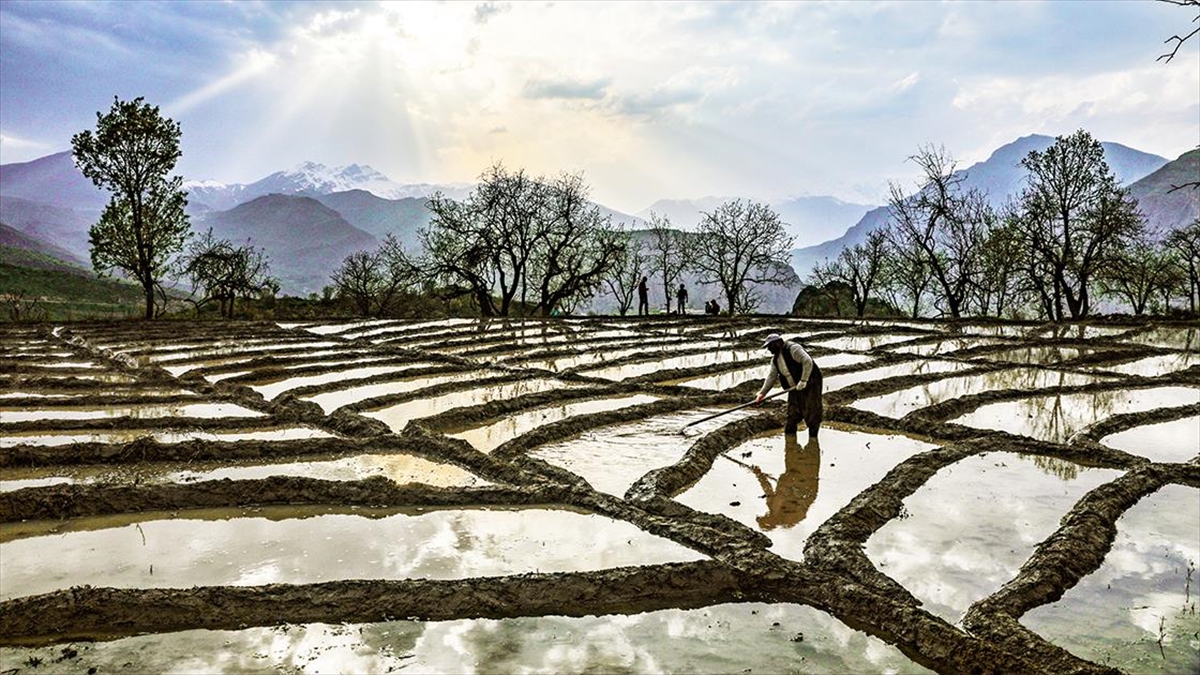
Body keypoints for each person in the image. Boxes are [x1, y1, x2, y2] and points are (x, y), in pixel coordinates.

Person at [754, 333, 823, 438]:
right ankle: (790, 443)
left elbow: (807, 361)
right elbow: (771, 377)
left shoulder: (793, 348)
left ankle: (813, 442)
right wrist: (762, 393)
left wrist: (804, 380)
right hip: (794, 388)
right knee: (792, 415)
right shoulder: (775, 360)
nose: (769, 349)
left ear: (777, 343)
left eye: (770, 346)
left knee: (812, 413)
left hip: (811, 384)